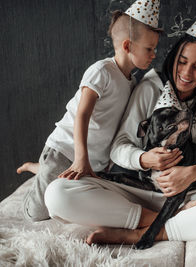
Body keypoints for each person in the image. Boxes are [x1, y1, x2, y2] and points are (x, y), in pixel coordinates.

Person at [44, 0, 196, 245]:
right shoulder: (150, 88)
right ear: (173, 58)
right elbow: (119, 146)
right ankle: (158, 219)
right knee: (58, 194)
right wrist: (144, 159)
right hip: (136, 190)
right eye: (182, 62)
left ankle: (145, 233)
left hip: (185, 191)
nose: (187, 73)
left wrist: (193, 172)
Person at [19, 0, 161, 222]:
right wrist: (81, 158)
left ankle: (42, 169)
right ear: (127, 46)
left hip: (92, 161)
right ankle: (40, 168)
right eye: (149, 49)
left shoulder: (131, 82)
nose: (154, 54)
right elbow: (82, 115)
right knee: (37, 214)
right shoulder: (102, 71)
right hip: (66, 151)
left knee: (74, 200)